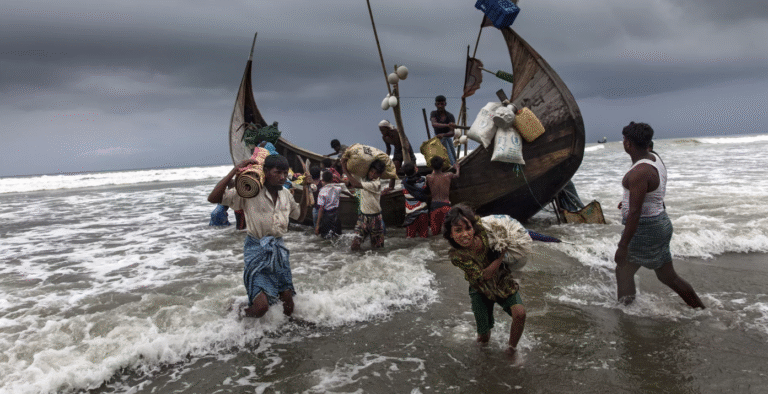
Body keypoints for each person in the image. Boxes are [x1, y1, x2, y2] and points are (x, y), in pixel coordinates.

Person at [614, 122, 704, 308]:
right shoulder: (654, 158)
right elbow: (652, 193)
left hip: (645, 229)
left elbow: (636, 213)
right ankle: (700, 309)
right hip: (660, 223)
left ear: (629, 144)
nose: (623, 142)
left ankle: (625, 311)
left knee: (623, 269)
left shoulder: (639, 172)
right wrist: (630, 200)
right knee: (667, 276)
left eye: (624, 139)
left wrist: (623, 246)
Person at [208, 154, 310, 318]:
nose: (282, 177)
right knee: (261, 308)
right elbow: (213, 198)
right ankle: (237, 318)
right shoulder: (250, 192)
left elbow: (300, 216)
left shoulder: (286, 194)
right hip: (256, 249)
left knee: (288, 305)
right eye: (277, 172)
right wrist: (234, 171)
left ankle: (283, 337)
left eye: (285, 173)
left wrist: (306, 189)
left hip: (279, 250)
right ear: (266, 172)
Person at [443, 204, 526, 354]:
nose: (465, 234)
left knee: (520, 314)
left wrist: (508, 237)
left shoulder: (484, 233)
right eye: (458, 230)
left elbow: (493, 222)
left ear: (473, 228)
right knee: (483, 337)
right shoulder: (457, 256)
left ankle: (512, 350)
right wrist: (501, 255)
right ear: (450, 234)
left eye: (468, 228)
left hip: (502, 280)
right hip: (480, 288)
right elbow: (484, 275)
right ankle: (482, 362)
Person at [341, 158, 386, 251]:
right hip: (363, 218)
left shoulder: (376, 184)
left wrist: (344, 169)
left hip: (375, 218)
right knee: (354, 246)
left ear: (380, 175)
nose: (372, 175)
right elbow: (352, 179)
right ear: (368, 170)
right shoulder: (364, 177)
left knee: (377, 248)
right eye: (371, 171)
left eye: (376, 173)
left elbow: (356, 184)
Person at [426, 156, 460, 236]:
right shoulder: (449, 175)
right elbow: (457, 175)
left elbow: (433, 173)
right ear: (442, 166)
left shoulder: (429, 177)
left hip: (434, 206)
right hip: (446, 205)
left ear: (431, 166)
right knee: (448, 232)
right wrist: (457, 168)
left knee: (435, 233)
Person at [401, 162, 430, 238]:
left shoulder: (403, 183)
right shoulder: (423, 180)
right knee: (424, 237)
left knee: (410, 238)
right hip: (423, 212)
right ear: (415, 169)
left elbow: (410, 179)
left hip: (410, 215)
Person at [314, 171, 343, 239]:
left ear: (322, 180)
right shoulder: (338, 188)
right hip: (336, 216)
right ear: (332, 179)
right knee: (337, 237)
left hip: (327, 217)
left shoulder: (322, 191)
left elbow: (321, 208)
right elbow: (345, 188)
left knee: (326, 238)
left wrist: (317, 225)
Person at [430, 95, 457, 165]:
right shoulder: (433, 113)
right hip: (437, 138)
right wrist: (447, 125)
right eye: (438, 104)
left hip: (447, 138)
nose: (440, 106)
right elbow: (434, 124)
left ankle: (454, 166)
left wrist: (444, 135)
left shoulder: (450, 116)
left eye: (442, 104)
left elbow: (452, 133)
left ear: (445, 104)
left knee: (453, 157)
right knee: (441, 159)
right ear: (435, 105)